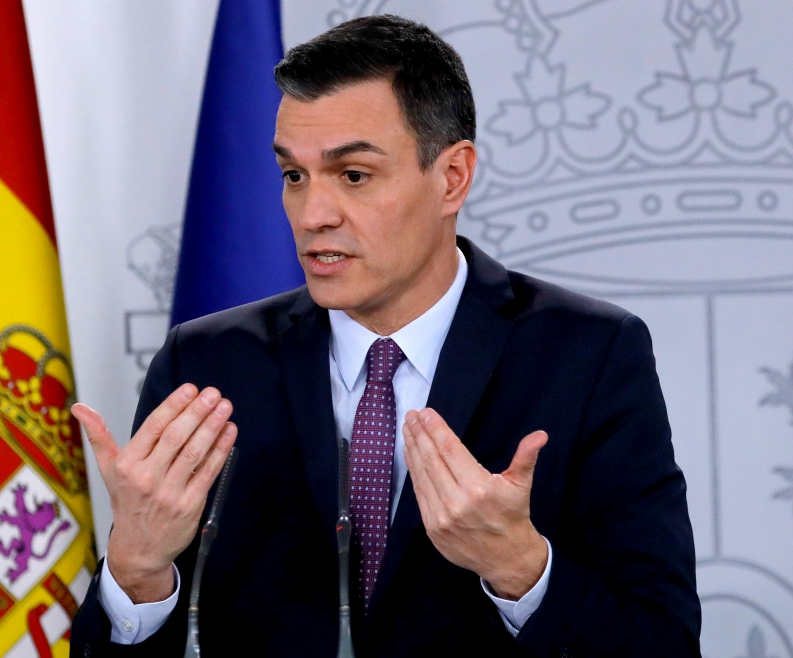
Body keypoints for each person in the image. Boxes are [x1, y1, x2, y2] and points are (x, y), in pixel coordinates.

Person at [70, 15, 699, 657]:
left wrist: (520, 569)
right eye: (294, 176)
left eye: (354, 176)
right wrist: (137, 572)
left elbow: (664, 642)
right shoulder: (208, 363)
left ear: (452, 177)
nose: (313, 215)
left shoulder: (588, 355)